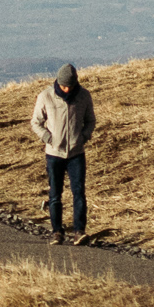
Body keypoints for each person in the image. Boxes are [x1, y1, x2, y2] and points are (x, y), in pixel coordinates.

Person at [29, 64, 95, 242]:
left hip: (76, 153)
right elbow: (36, 122)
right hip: (53, 154)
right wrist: (47, 138)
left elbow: (90, 121)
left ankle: (79, 231)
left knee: (79, 192)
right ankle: (57, 231)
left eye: (71, 86)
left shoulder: (83, 96)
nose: (67, 89)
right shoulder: (46, 96)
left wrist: (83, 137)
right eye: (65, 86)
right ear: (58, 82)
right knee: (55, 194)